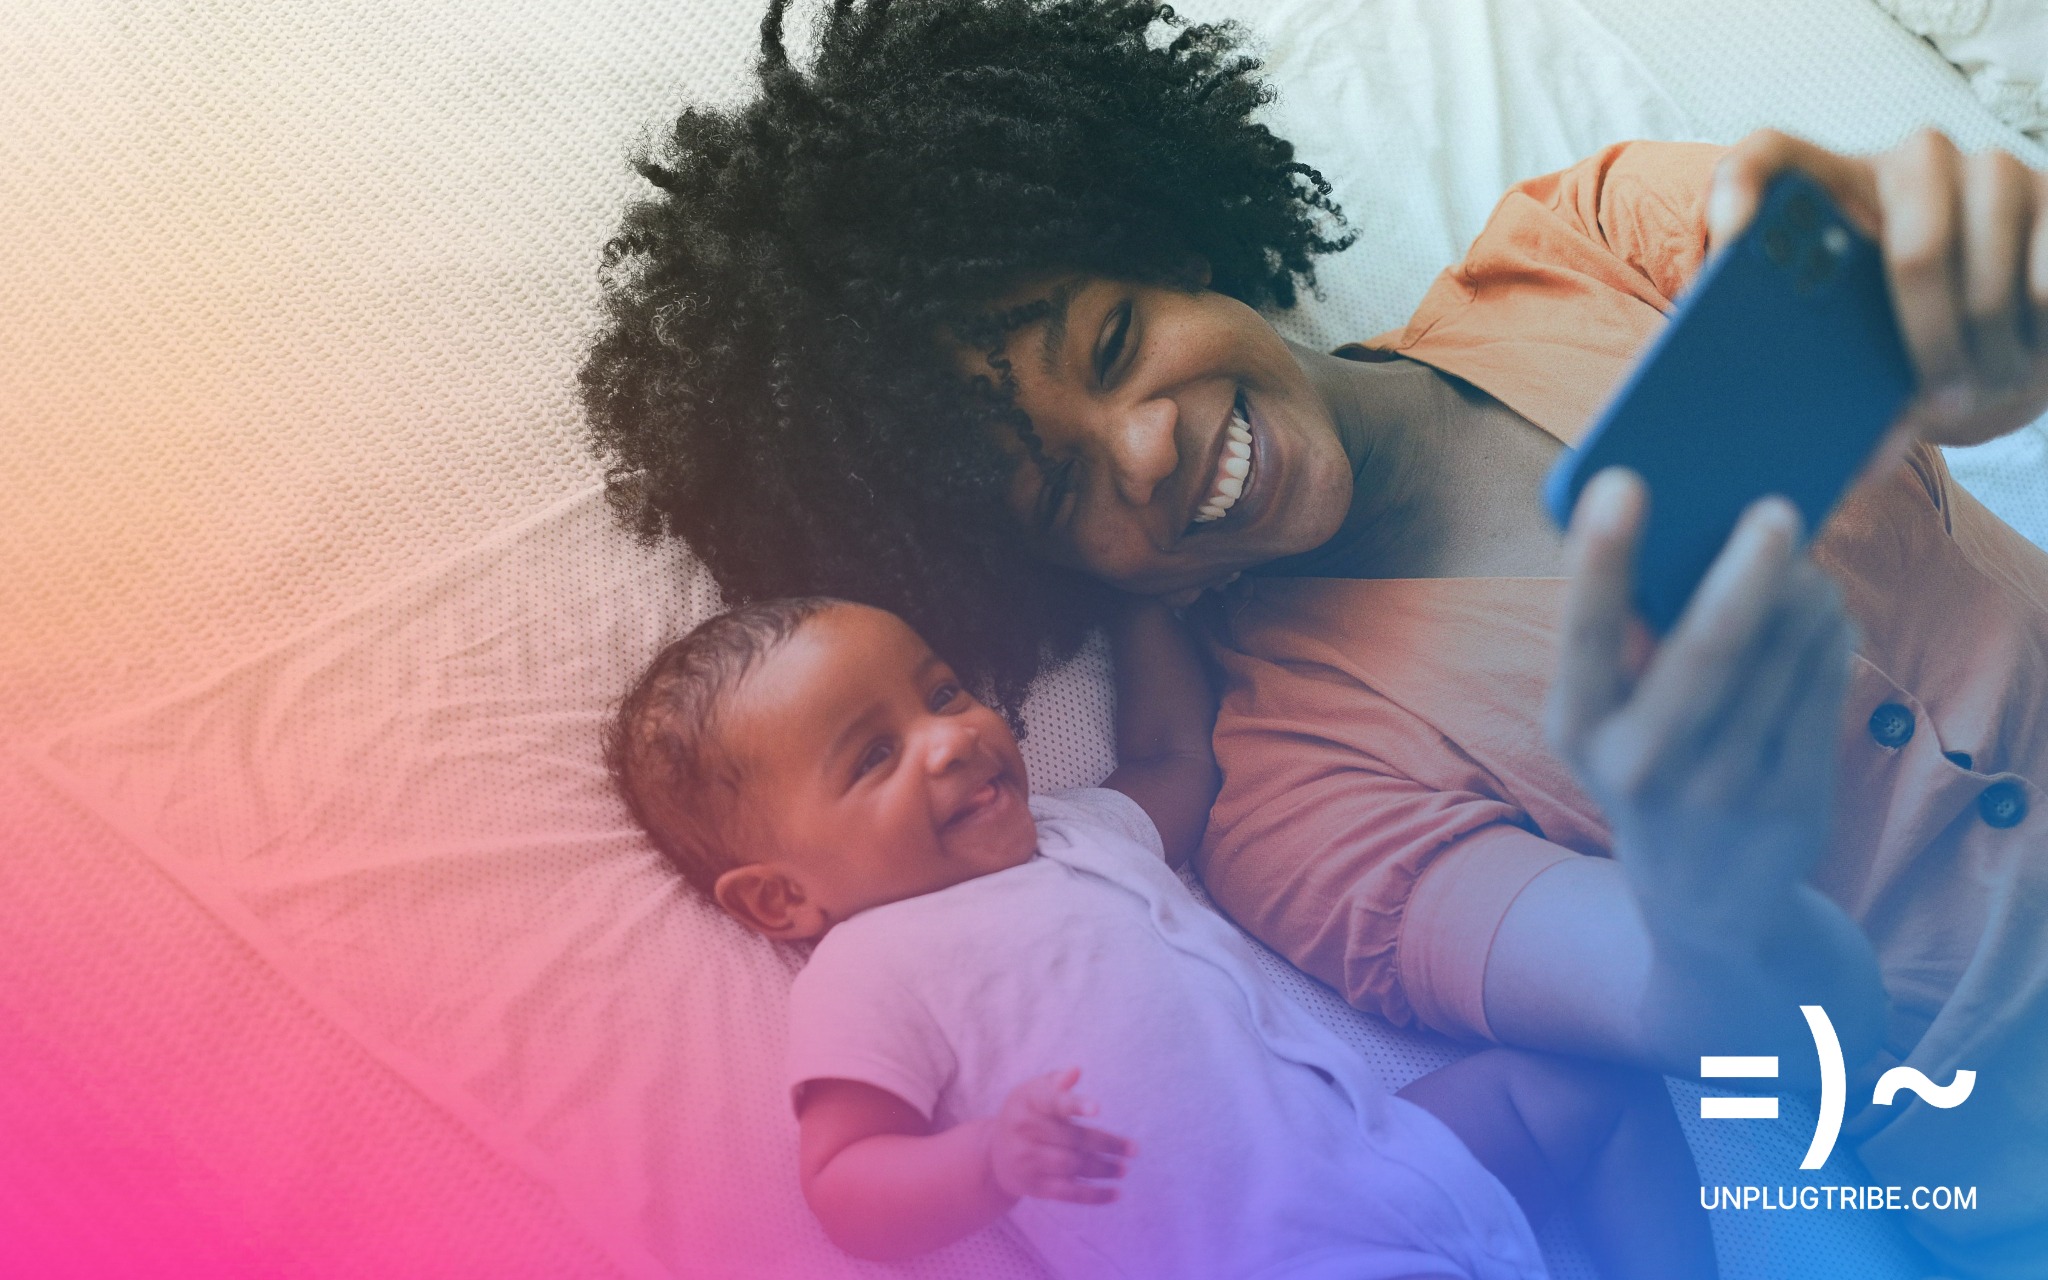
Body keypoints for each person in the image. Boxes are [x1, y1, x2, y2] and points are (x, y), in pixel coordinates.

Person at [580, 1, 2048, 1270]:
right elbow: (1758, 1028)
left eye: (1111, 344)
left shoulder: (1579, 245)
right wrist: (1711, 893)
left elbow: (1967, 343)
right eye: (1067, 487)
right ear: (1037, 578)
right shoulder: (1293, 803)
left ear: (1173, 240)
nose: (1147, 443)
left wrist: (1987, 293)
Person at [603, 595, 1717, 1279]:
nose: (949, 738)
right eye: (872, 756)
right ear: (777, 900)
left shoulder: (1080, 829)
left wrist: (1137, 608)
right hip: (1251, 1257)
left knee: (1591, 1088)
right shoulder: (864, 965)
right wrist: (984, 1159)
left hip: (1381, 1154)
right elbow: (844, 1183)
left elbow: (1178, 755)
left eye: (942, 691)